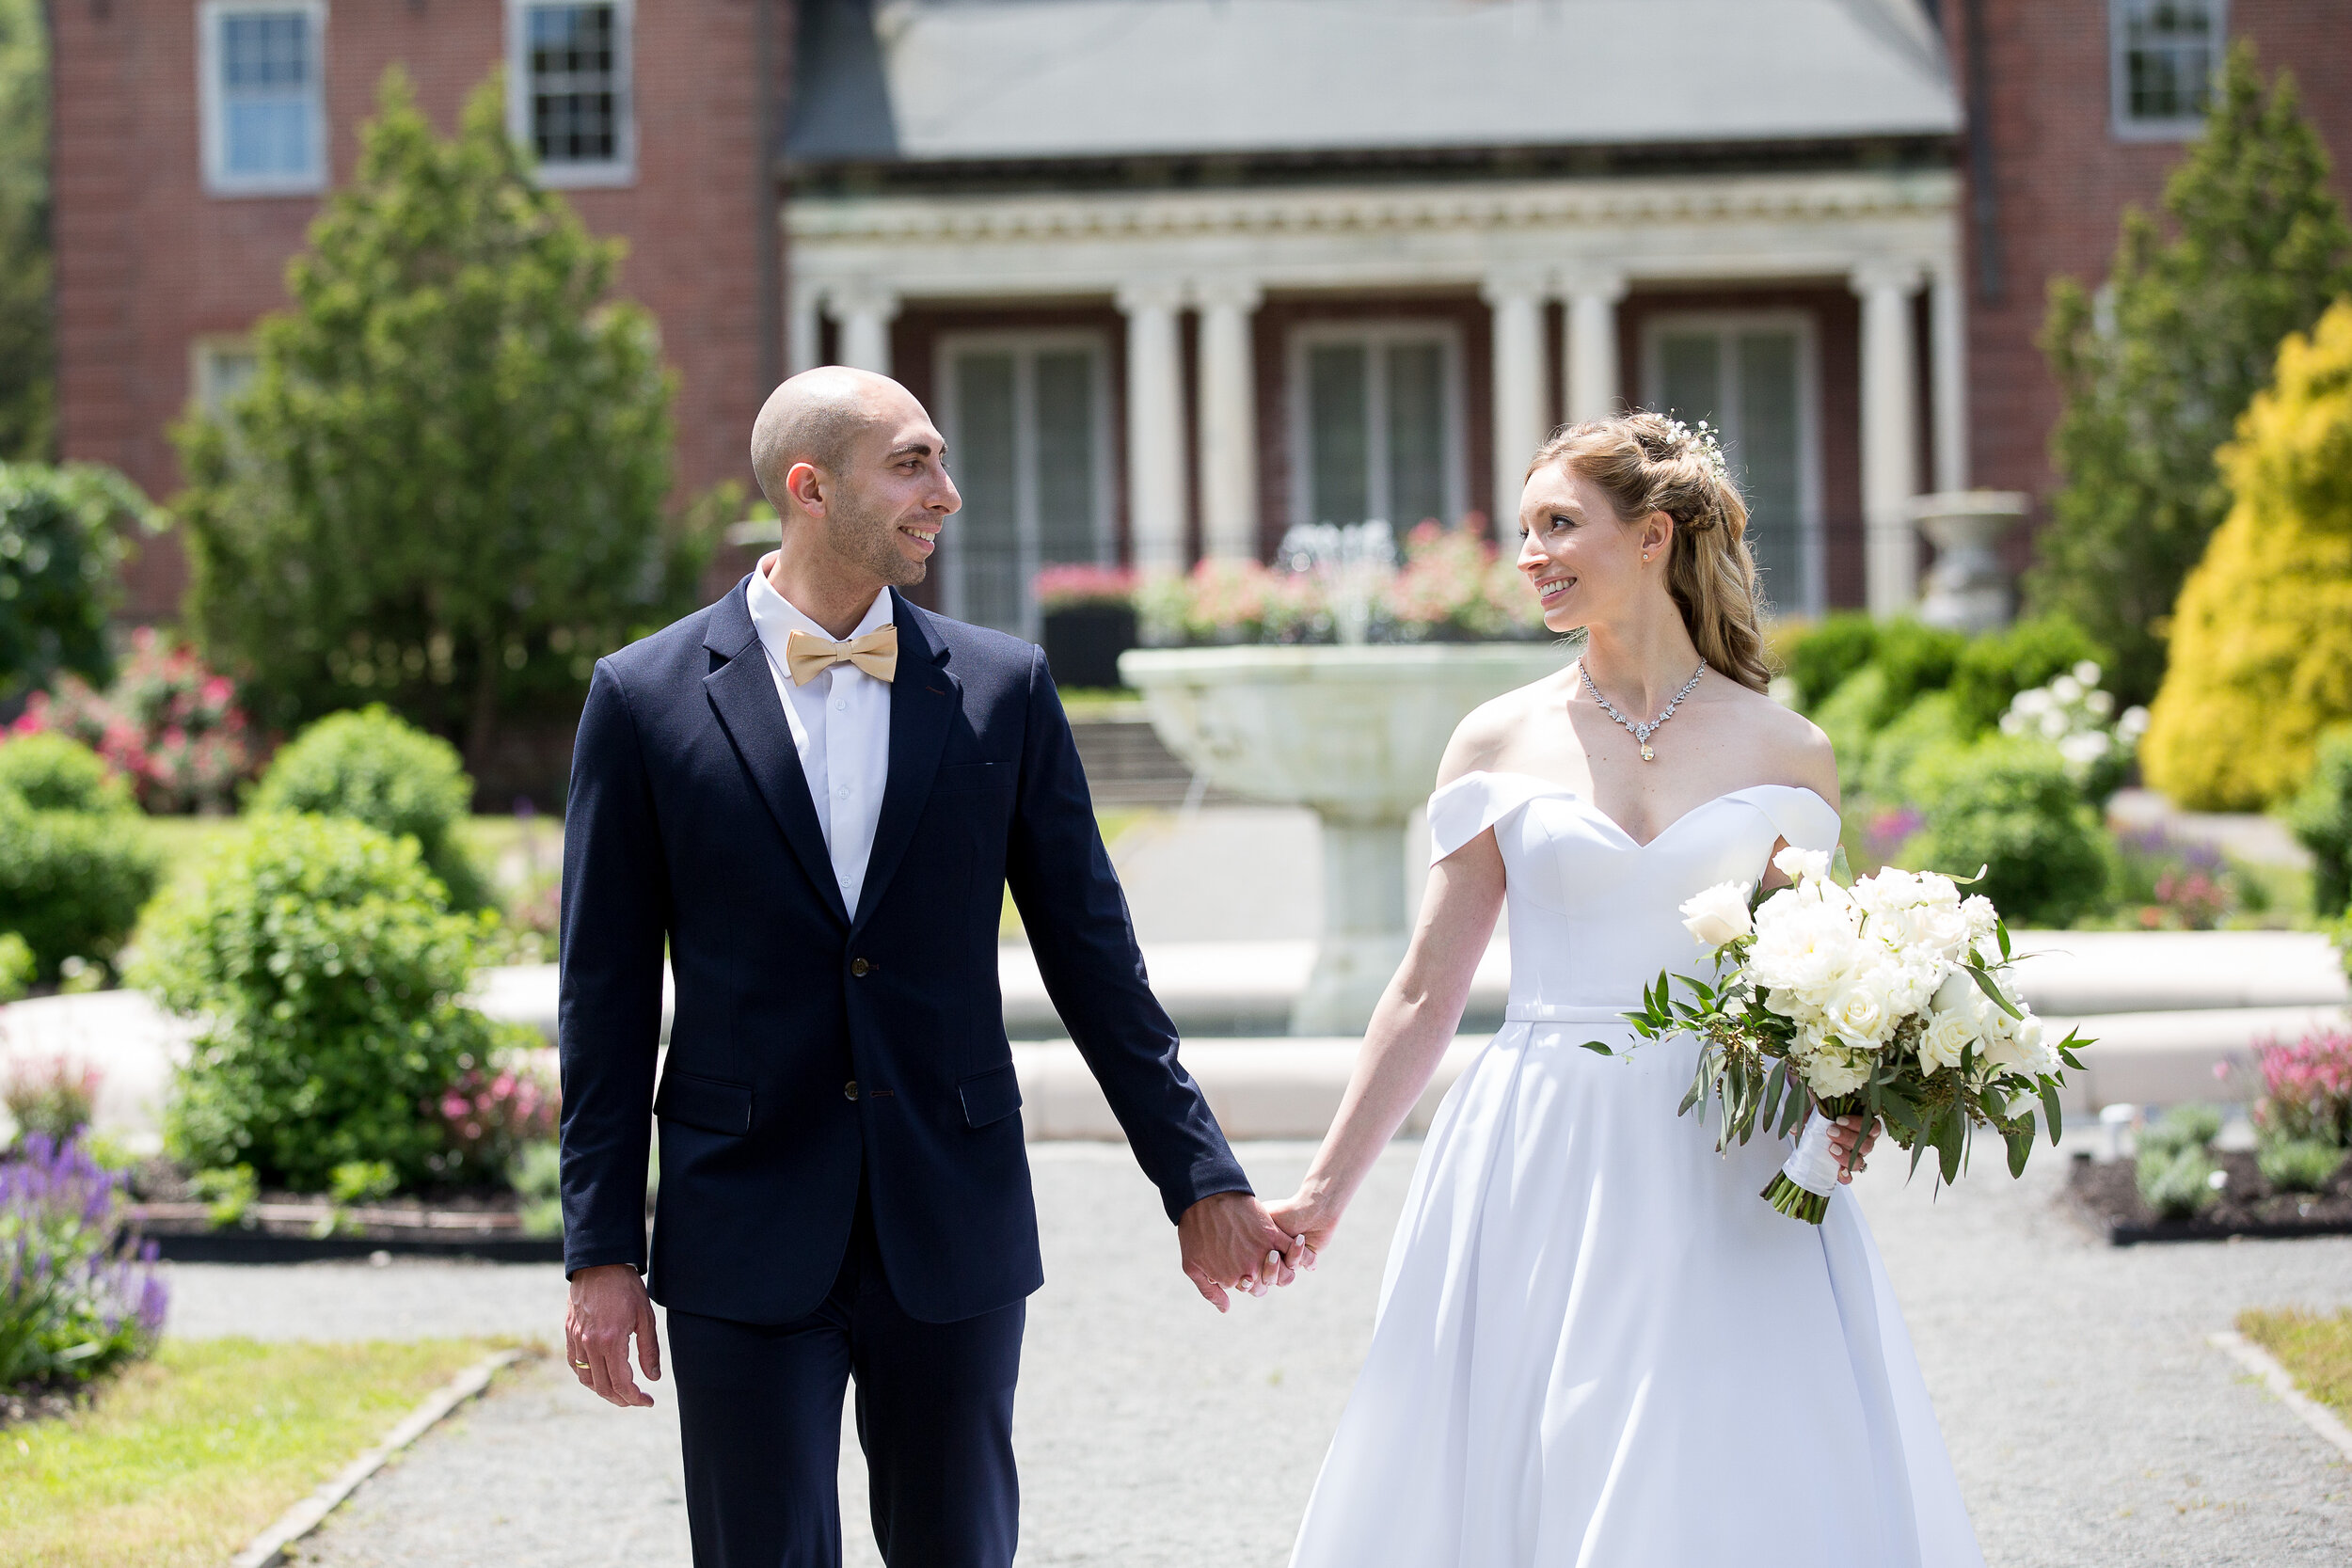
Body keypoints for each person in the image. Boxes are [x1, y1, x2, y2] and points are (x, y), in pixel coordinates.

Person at [556, 366, 1304, 1568]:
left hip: (950, 1217)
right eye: (912, 463)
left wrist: (1197, 1176)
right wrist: (601, 1249)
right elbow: (601, 999)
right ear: (811, 487)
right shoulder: (642, 699)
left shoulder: (1003, 688)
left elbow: (1094, 960)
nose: (946, 493)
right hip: (740, 1217)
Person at [1269, 413, 1982, 1567]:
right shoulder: (1494, 739)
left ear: (1651, 537)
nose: (1530, 555)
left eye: (1559, 524)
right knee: (1543, 1439)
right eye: (1523, 531)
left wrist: (1856, 1085)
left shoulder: (1783, 746)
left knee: (1720, 1446)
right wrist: (1323, 1189)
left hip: (1729, 1147)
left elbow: (1819, 971)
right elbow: (1423, 989)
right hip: (1542, 1141)